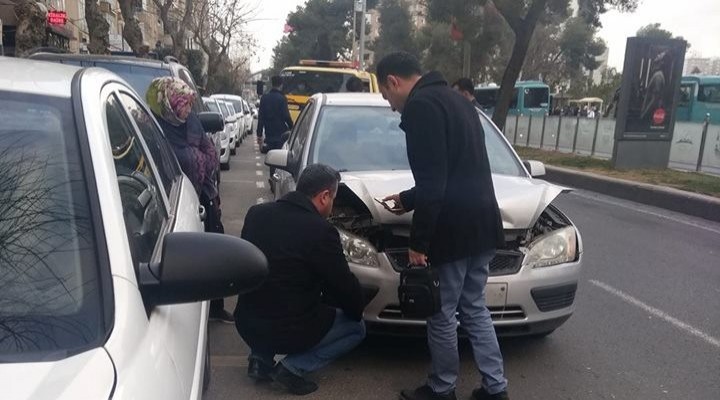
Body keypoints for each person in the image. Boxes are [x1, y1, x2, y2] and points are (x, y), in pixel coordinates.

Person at [376, 52, 508, 400]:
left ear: (393, 81)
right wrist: (408, 198)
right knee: (475, 307)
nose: (390, 106)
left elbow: (435, 182)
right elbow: (454, 171)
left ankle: (442, 388)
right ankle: (496, 388)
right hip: (483, 224)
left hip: (453, 230)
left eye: (386, 96)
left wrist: (419, 243)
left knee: (441, 313)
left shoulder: (422, 108)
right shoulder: (459, 101)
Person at [234, 164, 366, 396]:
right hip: (289, 330)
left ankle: (259, 359)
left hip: (247, 323)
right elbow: (343, 287)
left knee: (270, 295)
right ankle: (292, 368)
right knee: (356, 328)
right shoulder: (321, 231)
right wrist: (357, 309)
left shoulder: (257, 214)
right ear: (324, 196)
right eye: (333, 198)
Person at [146, 77, 232, 324]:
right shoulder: (154, 131)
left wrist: (200, 164)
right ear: (168, 105)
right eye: (181, 104)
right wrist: (198, 158)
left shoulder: (192, 122)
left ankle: (216, 307)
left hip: (204, 196)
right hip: (175, 205)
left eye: (188, 104)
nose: (187, 110)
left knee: (215, 252)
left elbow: (211, 155)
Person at [257, 75, 294, 151]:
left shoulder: (264, 98)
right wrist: (292, 128)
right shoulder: (282, 98)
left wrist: (259, 134)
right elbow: (286, 116)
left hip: (269, 134)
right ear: (281, 85)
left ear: (272, 84)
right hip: (281, 135)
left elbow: (261, 118)